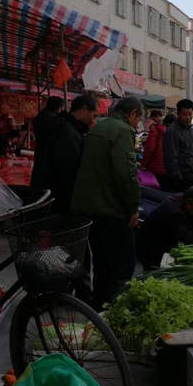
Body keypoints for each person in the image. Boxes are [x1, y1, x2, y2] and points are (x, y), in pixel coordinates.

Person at [71, 96, 143, 309]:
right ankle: (114, 307)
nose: (137, 125)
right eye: (138, 119)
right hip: (110, 209)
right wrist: (132, 208)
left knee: (102, 262)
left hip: (90, 207)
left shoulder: (99, 127)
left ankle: (100, 307)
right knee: (123, 261)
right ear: (131, 114)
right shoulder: (122, 131)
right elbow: (126, 174)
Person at [28, 94, 98, 212]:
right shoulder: (68, 134)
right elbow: (66, 173)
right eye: (94, 115)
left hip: (47, 195)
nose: (94, 120)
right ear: (84, 110)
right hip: (55, 202)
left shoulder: (64, 127)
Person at [136, 186, 193, 270]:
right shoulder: (173, 212)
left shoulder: (183, 202)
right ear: (190, 202)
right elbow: (188, 239)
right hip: (150, 249)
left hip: (163, 241)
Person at [164, 99, 193, 189]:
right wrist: (180, 180)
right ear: (178, 114)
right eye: (184, 114)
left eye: (190, 114)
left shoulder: (192, 129)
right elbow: (171, 160)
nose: (188, 118)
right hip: (184, 181)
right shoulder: (172, 132)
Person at [141, 112, 175, 190]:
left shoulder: (155, 129)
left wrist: (144, 164)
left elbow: (150, 148)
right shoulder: (176, 133)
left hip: (156, 168)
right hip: (171, 169)